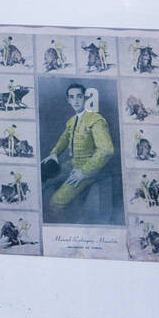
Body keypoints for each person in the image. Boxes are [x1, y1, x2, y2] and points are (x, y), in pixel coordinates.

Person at [42, 84, 116, 223]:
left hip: (90, 169)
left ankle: (70, 231)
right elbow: (64, 138)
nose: (76, 101)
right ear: (68, 100)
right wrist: (54, 153)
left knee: (56, 202)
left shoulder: (95, 119)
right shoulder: (72, 121)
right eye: (72, 97)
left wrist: (83, 172)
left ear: (85, 98)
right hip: (73, 165)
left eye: (79, 96)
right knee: (42, 181)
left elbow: (106, 150)